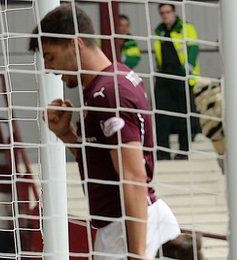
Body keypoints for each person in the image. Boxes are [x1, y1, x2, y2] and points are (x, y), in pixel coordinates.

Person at [29, 5, 180, 259]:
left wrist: (137, 253)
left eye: (51, 56)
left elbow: (132, 176)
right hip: (122, 227)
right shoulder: (110, 80)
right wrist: (67, 134)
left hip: (130, 231)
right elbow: (103, 162)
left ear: (75, 44)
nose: (48, 67)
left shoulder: (108, 92)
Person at [153, 3, 202, 160]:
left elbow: (193, 47)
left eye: (168, 12)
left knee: (184, 114)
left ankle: (184, 150)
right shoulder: (159, 30)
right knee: (161, 115)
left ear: (174, 12)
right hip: (164, 76)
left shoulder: (186, 27)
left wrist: (188, 67)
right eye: (162, 13)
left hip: (181, 75)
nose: (165, 15)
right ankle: (162, 151)